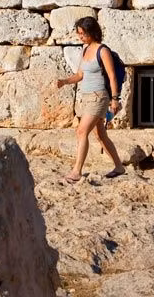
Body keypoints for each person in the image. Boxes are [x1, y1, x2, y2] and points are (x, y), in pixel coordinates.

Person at [56, 16, 127, 183]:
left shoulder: (103, 51)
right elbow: (80, 75)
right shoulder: (85, 49)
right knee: (100, 134)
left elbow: (112, 77)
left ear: (92, 32)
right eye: (79, 33)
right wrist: (65, 81)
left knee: (81, 131)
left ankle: (76, 171)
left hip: (99, 97)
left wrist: (115, 99)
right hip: (86, 97)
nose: (80, 36)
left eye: (83, 33)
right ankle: (119, 167)